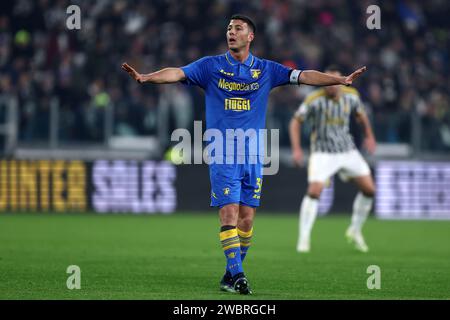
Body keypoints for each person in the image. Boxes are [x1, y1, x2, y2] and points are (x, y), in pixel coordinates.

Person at [122, 15, 366, 295]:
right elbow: (176, 72)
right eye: (228, 28)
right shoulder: (210, 66)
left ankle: (229, 274)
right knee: (229, 212)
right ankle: (239, 276)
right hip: (222, 151)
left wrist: (340, 80)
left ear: (250, 36)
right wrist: (146, 77)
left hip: (253, 154)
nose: (231, 32)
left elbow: (304, 75)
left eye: (238, 29)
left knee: (247, 219)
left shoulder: (265, 69)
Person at [289, 65, 376, 254]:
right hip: (323, 152)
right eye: (329, 82)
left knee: (369, 190)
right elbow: (296, 121)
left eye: (336, 82)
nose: (332, 86)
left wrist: (369, 136)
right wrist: (296, 149)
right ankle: (304, 238)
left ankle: (354, 230)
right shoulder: (314, 99)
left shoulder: (351, 96)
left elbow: (362, 116)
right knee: (314, 192)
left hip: (347, 150)